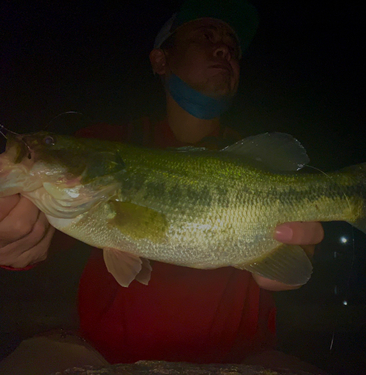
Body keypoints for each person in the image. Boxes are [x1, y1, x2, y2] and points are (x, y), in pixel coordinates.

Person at [0, 0, 324, 367]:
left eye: (232, 47)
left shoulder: (255, 163)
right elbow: (37, 239)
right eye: (205, 36)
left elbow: (291, 263)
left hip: (242, 359)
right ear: (160, 60)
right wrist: (13, 242)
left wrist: (285, 262)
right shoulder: (103, 141)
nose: (224, 49)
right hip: (107, 360)